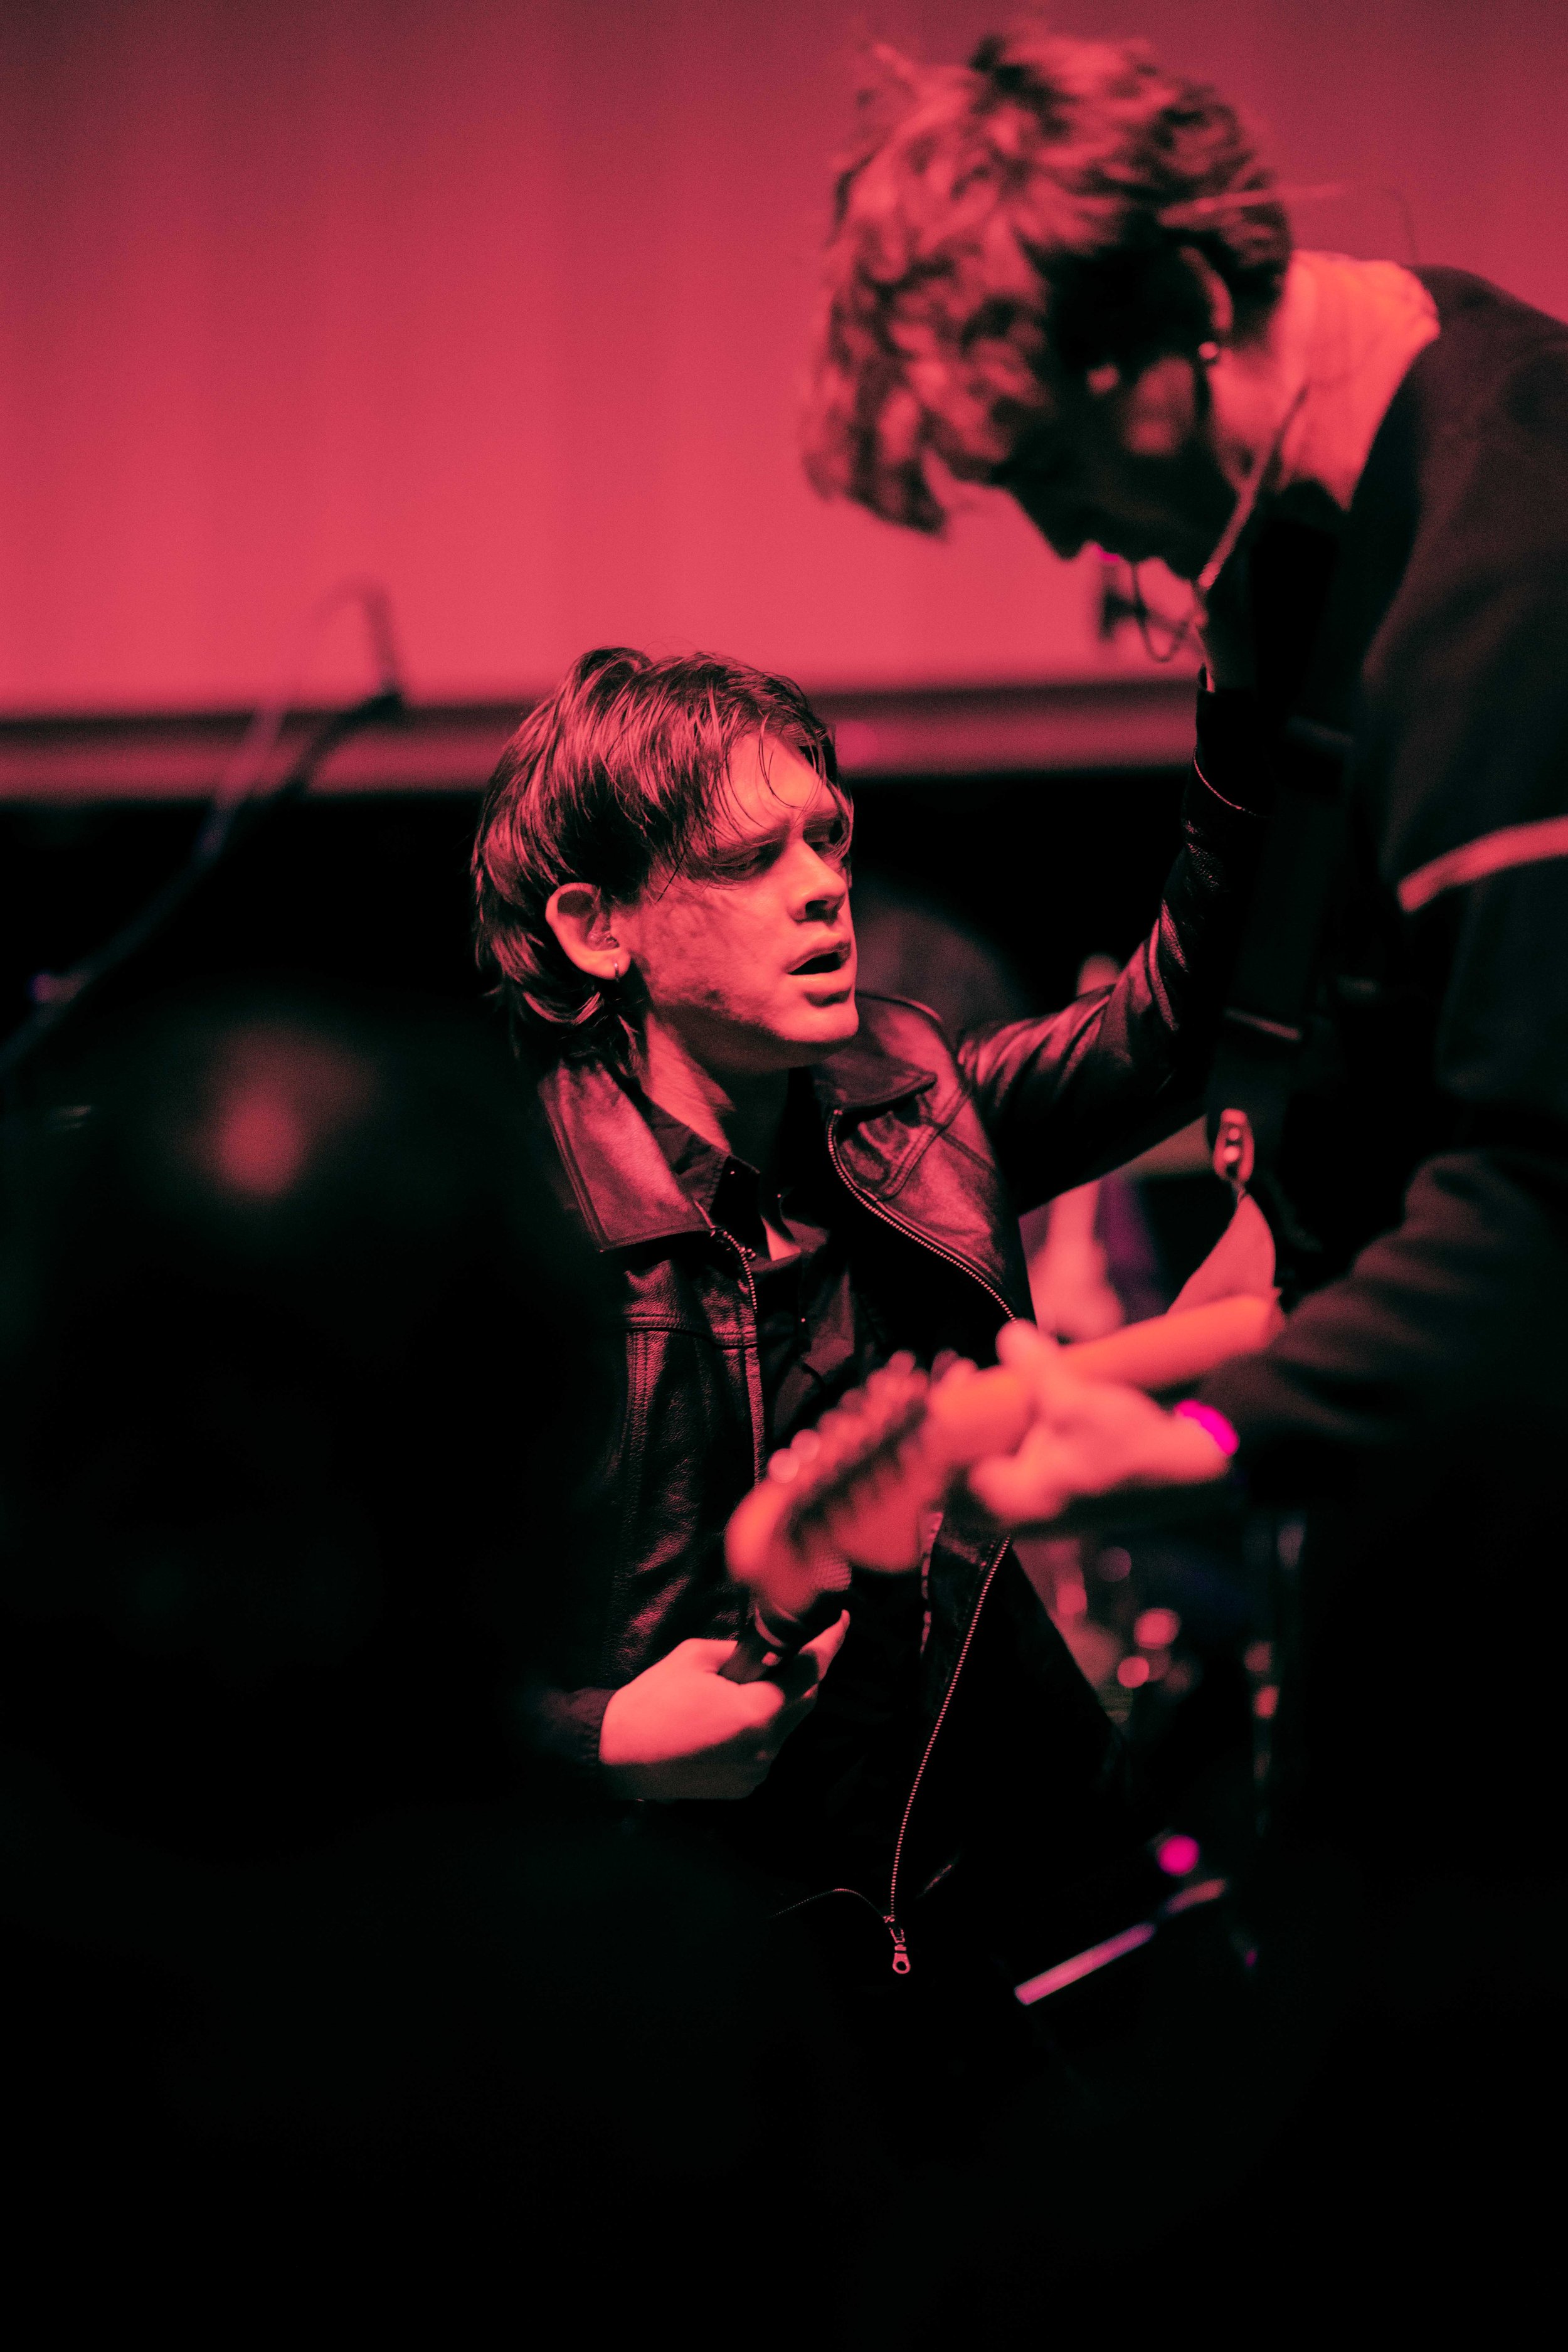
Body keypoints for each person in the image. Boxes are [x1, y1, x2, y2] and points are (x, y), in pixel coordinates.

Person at [802, 13, 1568, 2291]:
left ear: (1182, 323)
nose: (1050, 534)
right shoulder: (1314, 563)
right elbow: (1230, 1053)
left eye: (1045, 458)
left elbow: (1538, 1235)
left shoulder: (1509, 587)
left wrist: (1137, 1420)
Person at [470, 642, 1268, 2117]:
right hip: (685, 1968)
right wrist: (598, 1742)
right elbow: (368, 1677)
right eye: (748, 857)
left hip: (990, 1888)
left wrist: (1257, 698)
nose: (822, 884)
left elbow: (1167, 1031)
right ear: (595, 928)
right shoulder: (502, 1227)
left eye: (827, 837)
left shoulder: (909, 1091)